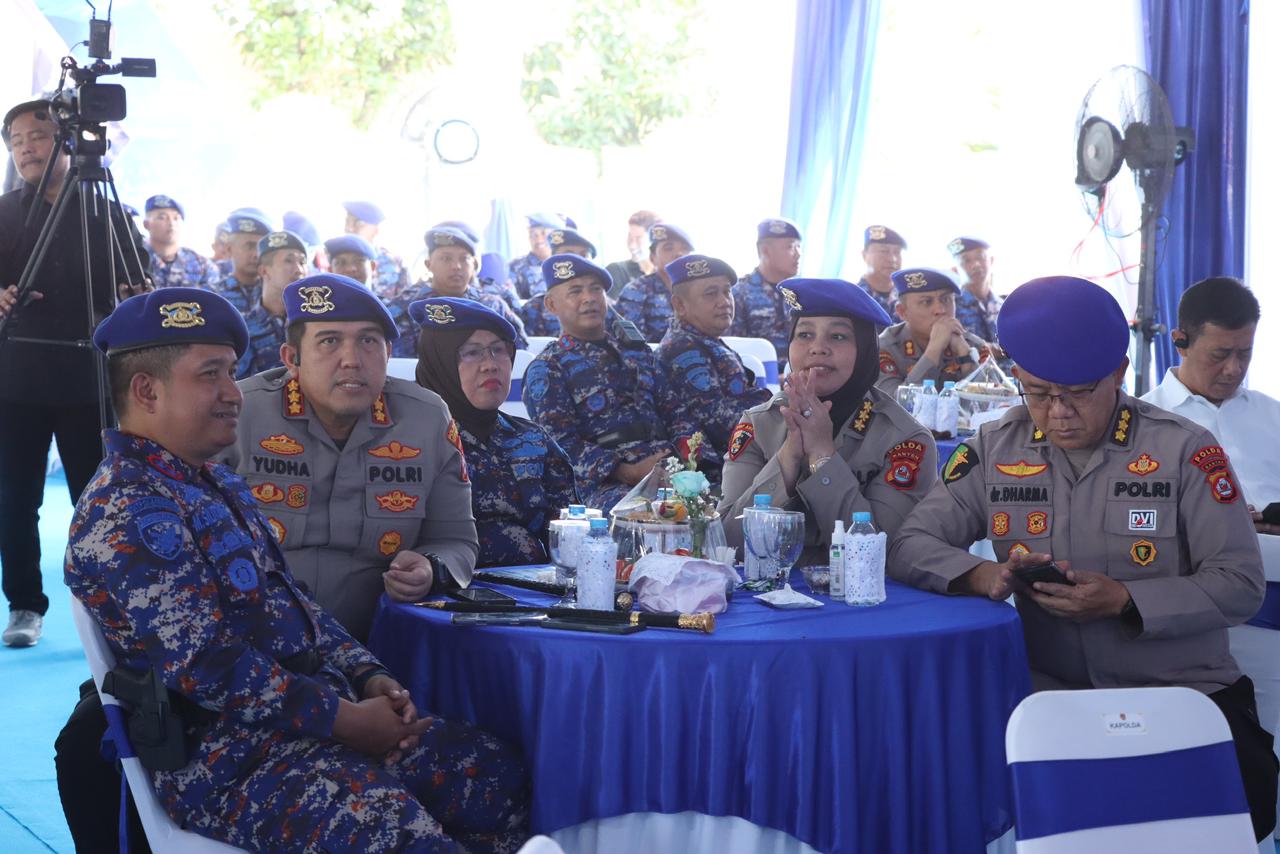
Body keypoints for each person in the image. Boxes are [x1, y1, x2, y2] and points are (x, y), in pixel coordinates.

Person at [64, 286, 529, 851]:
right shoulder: (130, 509)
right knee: (402, 837)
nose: (232, 392)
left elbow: (294, 602)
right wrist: (348, 722)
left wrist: (367, 675)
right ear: (146, 391)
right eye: (210, 375)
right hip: (227, 756)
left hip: (309, 718)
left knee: (497, 777)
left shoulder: (211, 483)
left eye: (230, 372)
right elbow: (210, 667)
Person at [888, 275, 1277, 841]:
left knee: (1222, 822)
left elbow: (1240, 583)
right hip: (1046, 697)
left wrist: (1126, 600)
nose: (1058, 413)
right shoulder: (996, 447)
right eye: (1038, 393)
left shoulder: (1184, 449)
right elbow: (910, 543)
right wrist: (983, 574)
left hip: (1179, 693)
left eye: (1077, 393)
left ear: (1119, 374)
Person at [226, 273, 479, 640]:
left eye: (368, 341)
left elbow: (457, 539)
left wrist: (430, 566)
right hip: (259, 638)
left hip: (383, 641)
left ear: (388, 354)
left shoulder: (425, 418)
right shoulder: (239, 413)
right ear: (292, 358)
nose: (351, 360)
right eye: (329, 341)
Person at [0, 97, 149, 648]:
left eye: (37, 136)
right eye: (16, 142)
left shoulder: (106, 211)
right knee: (15, 499)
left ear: (66, 140)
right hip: (16, 379)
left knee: (96, 497)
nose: (26, 149)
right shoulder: (4, 212)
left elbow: (138, 281)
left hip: (88, 378)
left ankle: (106, 604)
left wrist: (134, 294)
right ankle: (24, 604)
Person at [1141, 276, 1280, 807]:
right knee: (1212, 763)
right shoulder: (1145, 421)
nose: (1234, 369)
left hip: (1274, 607)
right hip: (1197, 618)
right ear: (1180, 341)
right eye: (1220, 354)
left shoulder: (1272, 415)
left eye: (1245, 354)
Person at [718, 278, 936, 561]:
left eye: (838, 337)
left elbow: (878, 554)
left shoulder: (903, 438)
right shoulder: (760, 423)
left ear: (865, 350)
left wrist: (822, 455)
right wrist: (788, 456)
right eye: (805, 334)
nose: (817, 348)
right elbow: (727, 542)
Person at [412, 296, 578, 566]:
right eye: (472, 352)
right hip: (441, 586)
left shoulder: (533, 439)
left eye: (498, 350)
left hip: (535, 587)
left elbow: (570, 536)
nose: (491, 364)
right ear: (439, 364)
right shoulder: (408, 442)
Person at [524, 254, 675, 513]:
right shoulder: (548, 367)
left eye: (596, 289)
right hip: (602, 485)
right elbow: (560, 445)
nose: (589, 298)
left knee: (716, 504)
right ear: (551, 304)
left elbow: (675, 411)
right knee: (644, 517)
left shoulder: (638, 353)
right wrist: (626, 471)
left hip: (667, 467)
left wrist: (686, 457)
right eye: (575, 291)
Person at [657, 254, 770, 477]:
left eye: (727, 291)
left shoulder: (704, 340)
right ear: (680, 305)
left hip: (742, 460)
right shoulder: (682, 349)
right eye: (711, 294)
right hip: (718, 473)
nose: (724, 301)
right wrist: (777, 416)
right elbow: (721, 424)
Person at [389, 227, 527, 356]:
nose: (456, 266)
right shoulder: (406, 308)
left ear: (474, 265)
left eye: (464, 259)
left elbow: (518, 354)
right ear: (428, 265)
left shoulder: (493, 306)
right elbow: (396, 361)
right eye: (446, 258)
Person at [875, 267, 986, 396]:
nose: (940, 310)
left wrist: (966, 357)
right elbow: (894, 403)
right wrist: (934, 349)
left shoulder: (974, 345)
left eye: (946, 299)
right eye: (926, 302)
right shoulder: (884, 349)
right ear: (902, 312)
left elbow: (994, 403)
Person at [729, 217, 802, 368]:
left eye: (799, 247)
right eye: (790, 247)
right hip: (759, 378)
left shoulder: (801, 293)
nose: (798, 254)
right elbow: (733, 351)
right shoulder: (739, 294)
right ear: (765, 250)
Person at [235, 230, 308, 378]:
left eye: (302, 262)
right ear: (264, 270)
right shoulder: (242, 327)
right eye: (288, 261)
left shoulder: (313, 323)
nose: (299, 270)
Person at [615, 222, 694, 342]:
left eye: (685, 249)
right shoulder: (636, 290)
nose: (679, 254)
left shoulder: (701, 290)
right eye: (668, 248)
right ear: (653, 258)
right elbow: (633, 344)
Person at [519, 226, 598, 338]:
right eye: (569, 255)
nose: (578, 261)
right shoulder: (535, 309)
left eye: (584, 255)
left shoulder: (602, 303)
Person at [142, 194, 221, 290]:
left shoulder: (203, 265)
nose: (171, 223)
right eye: (162, 217)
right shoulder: (134, 259)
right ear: (146, 224)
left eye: (176, 218)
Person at [343, 200, 409, 301]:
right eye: (347, 221)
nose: (349, 228)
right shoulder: (334, 260)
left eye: (358, 223)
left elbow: (407, 300)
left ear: (375, 230)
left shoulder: (393, 261)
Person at [208, 209, 271, 316]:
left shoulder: (277, 292)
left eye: (260, 248)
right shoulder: (212, 295)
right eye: (250, 246)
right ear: (229, 250)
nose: (256, 254)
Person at [948, 236, 1001, 344]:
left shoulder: (1005, 306)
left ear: (991, 261)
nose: (976, 265)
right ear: (955, 270)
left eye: (981, 257)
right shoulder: (950, 309)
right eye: (966, 260)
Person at [507, 211, 563, 300]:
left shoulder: (568, 264)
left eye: (544, 233)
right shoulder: (515, 267)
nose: (538, 239)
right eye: (533, 234)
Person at [606, 209, 660, 297]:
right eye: (630, 237)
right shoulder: (616, 271)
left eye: (639, 238)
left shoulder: (666, 274)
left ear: (654, 240)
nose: (632, 245)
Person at [855, 224, 906, 317]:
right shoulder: (853, 296)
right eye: (884, 251)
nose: (892, 259)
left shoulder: (908, 299)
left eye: (897, 252)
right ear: (864, 255)